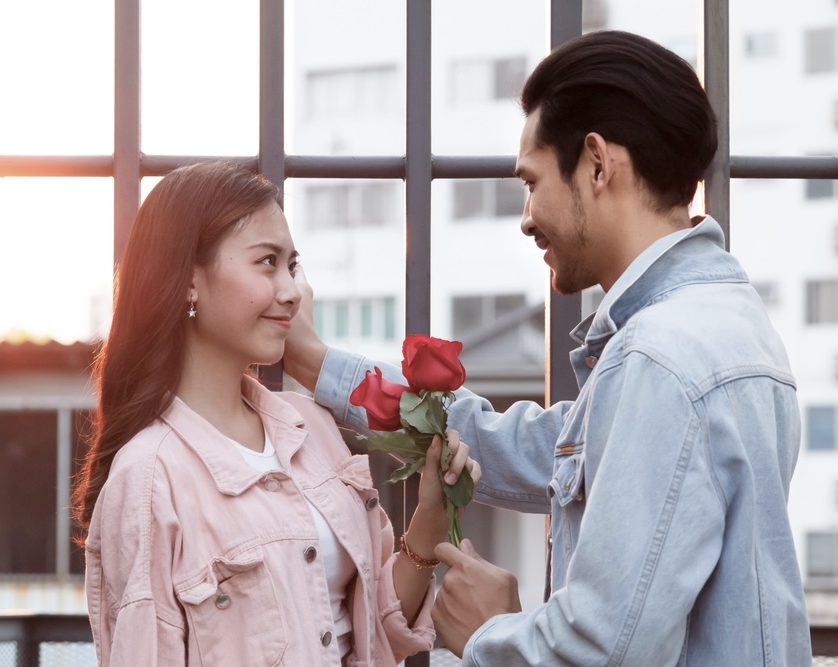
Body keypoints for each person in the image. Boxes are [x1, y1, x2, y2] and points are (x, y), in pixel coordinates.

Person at [282, 30, 813, 666]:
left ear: (595, 163)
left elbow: (605, 649)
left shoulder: (659, 357)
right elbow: (525, 446)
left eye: (531, 182)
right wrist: (316, 363)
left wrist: (489, 631)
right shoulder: (725, 319)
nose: (527, 216)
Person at [69, 160, 479, 666]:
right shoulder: (149, 477)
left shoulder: (313, 429)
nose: (292, 291)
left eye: (292, 265)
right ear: (188, 281)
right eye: (266, 262)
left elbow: (379, 637)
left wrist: (431, 518)